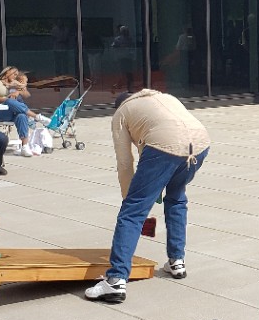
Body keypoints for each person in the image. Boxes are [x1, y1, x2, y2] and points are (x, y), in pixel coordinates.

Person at [85, 90, 211, 304]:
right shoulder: (163, 97)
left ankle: (116, 280)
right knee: (177, 198)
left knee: (131, 213)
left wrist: (130, 199)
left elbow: (125, 163)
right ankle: (176, 261)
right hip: (200, 144)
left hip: (165, 145)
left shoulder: (121, 114)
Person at [0, 66, 47, 158]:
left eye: (17, 75)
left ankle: (25, 146)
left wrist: (18, 92)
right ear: (7, 72)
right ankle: (36, 117)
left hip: (13, 111)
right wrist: (6, 99)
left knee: (22, 115)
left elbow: (27, 95)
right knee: (10, 101)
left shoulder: (14, 83)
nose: (16, 76)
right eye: (14, 74)